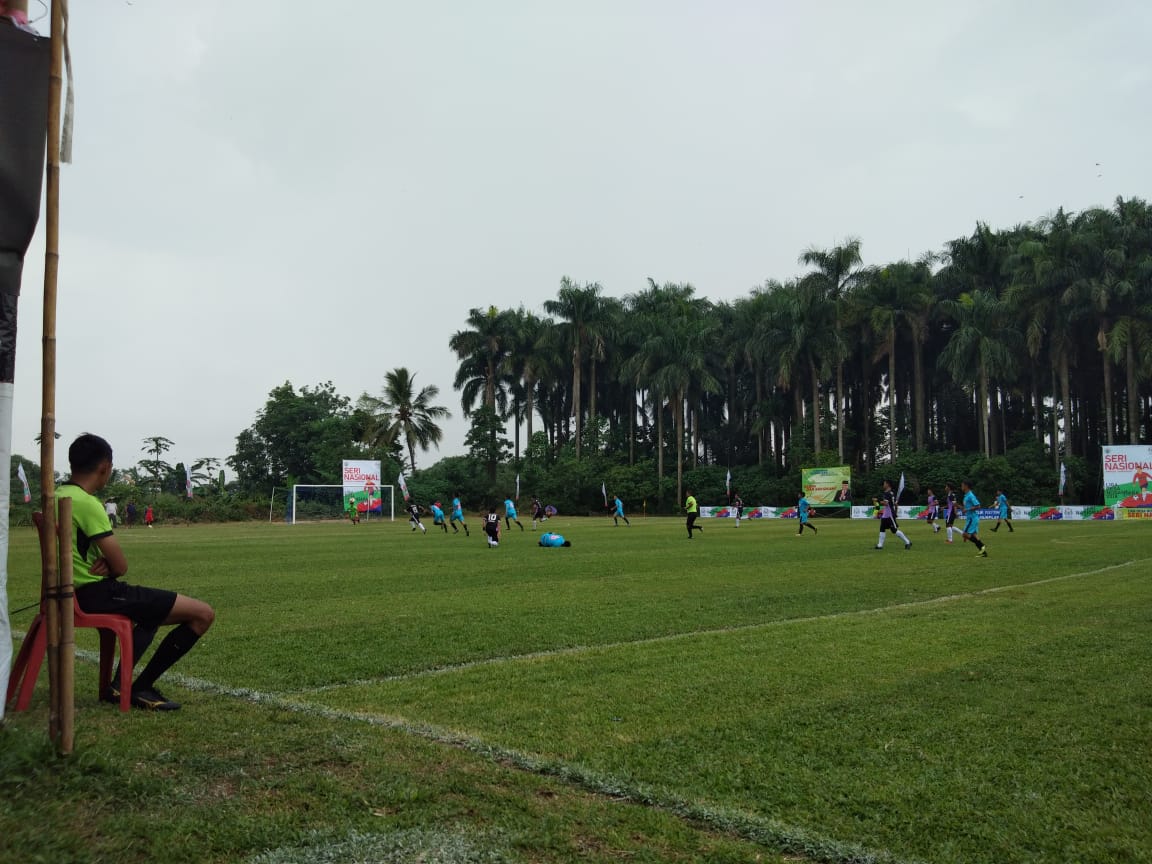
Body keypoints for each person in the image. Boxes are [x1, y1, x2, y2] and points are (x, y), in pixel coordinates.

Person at [59, 433, 215, 711]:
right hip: (95, 594)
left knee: (150, 613)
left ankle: (122, 686)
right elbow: (120, 566)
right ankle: (139, 687)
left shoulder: (57, 495)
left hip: (67, 593)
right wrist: (110, 566)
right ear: (105, 467)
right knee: (203, 614)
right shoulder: (86, 503)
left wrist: (104, 564)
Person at [874, 479, 912, 551]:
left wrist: (878, 500)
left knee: (894, 530)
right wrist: (896, 511)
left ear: (888, 484)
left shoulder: (887, 493)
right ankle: (880, 545)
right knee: (882, 529)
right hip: (886, 514)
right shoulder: (890, 493)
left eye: (884, 483)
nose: (883, 485)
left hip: (889, 514)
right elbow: (895, 504)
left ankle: (908, 542)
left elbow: (886, 503)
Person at [961, 479, 989, 557]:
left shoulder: (970, 495)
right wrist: (965, 510)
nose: (961, 487)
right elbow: (967, 507)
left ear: (966, 486)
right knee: (974, 535)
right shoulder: (966, 495)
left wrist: (967, 509)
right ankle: (983, 553)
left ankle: (982, 545)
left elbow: (978, 506)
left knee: (965, 534)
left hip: (972, 518)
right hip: (970, 518)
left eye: (962, 485)